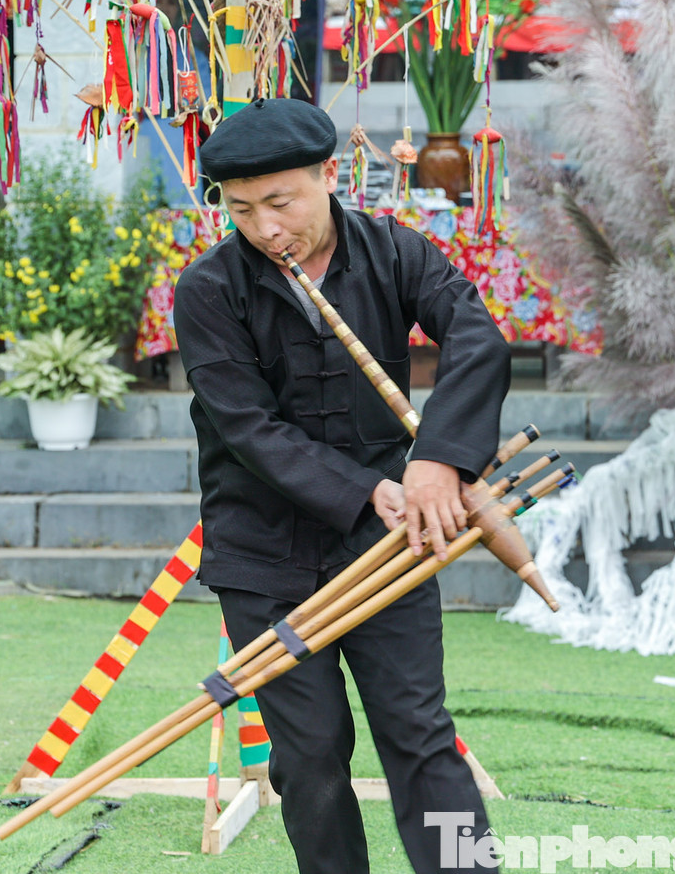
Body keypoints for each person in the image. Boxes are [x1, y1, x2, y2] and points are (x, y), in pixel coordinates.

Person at [172, 98, 510, 874]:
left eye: (281, 202)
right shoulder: (209, 288)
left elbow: (475, 334)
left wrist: (440, 460)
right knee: (310, 757)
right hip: (263, 554)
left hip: (388, 540)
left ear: (329, 175)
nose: (264, 228)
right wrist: (366, 487)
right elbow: (248, 427)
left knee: (421, 734)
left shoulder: (395, 251)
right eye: (241, 209)